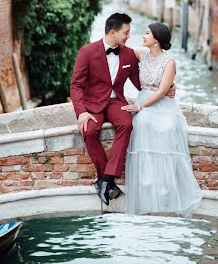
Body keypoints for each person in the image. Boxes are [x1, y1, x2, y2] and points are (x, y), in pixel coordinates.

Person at [122, 22, 202, 216]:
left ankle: (165, 189)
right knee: (141, 123)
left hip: (160, 103)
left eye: (147, 33)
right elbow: (120, 50)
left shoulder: (170, 62)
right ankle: (146, 185)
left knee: (167, 127)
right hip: (144, 98)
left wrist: (141, 106)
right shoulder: (141, 53)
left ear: (156, 39)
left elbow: (162, 91)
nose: (143, 36)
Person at [70, 13, 140, 206]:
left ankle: (107, 178)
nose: (128, 36)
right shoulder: (87, 51)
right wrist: (81, 111)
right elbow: (76, 85)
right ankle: (104, 178)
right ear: (112, 32)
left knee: (126, 124)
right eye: (126, 33)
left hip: (116, 101)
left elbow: (139, 83)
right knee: (89, 130)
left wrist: (164, 89)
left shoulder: (129, 54)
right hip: (92, 103)